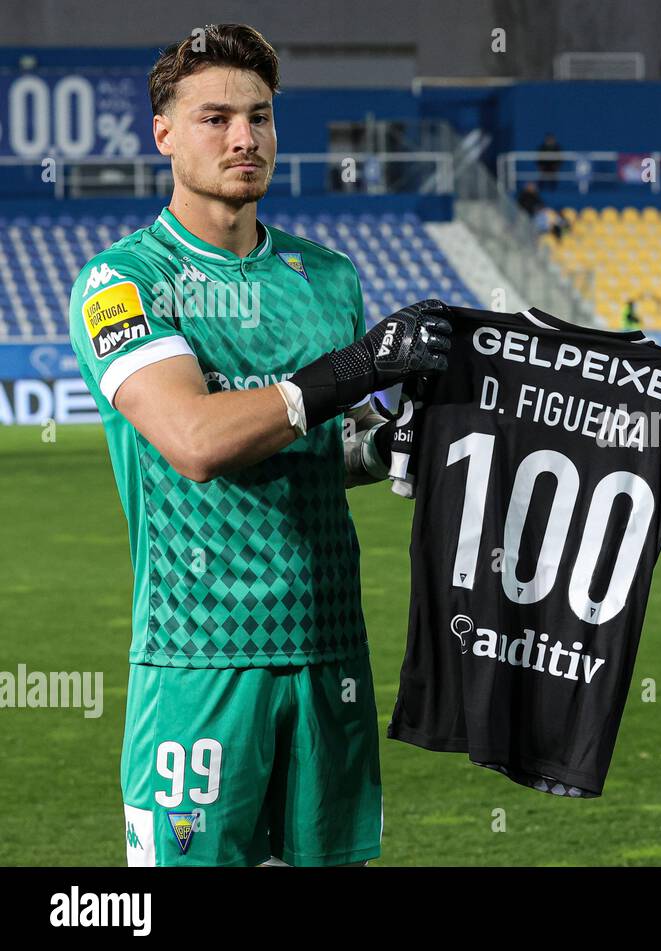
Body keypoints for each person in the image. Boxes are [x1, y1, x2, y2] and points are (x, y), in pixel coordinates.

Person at [66, 24, 454, 867]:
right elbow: (195, 441)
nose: (245, 138)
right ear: (163, 132)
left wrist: (394, 447)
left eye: (261, 117)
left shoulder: (328, 277)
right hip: (198, 659)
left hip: (329, 651)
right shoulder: (121, 282)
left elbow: (334, 440)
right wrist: (354, 366)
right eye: (215, 118)